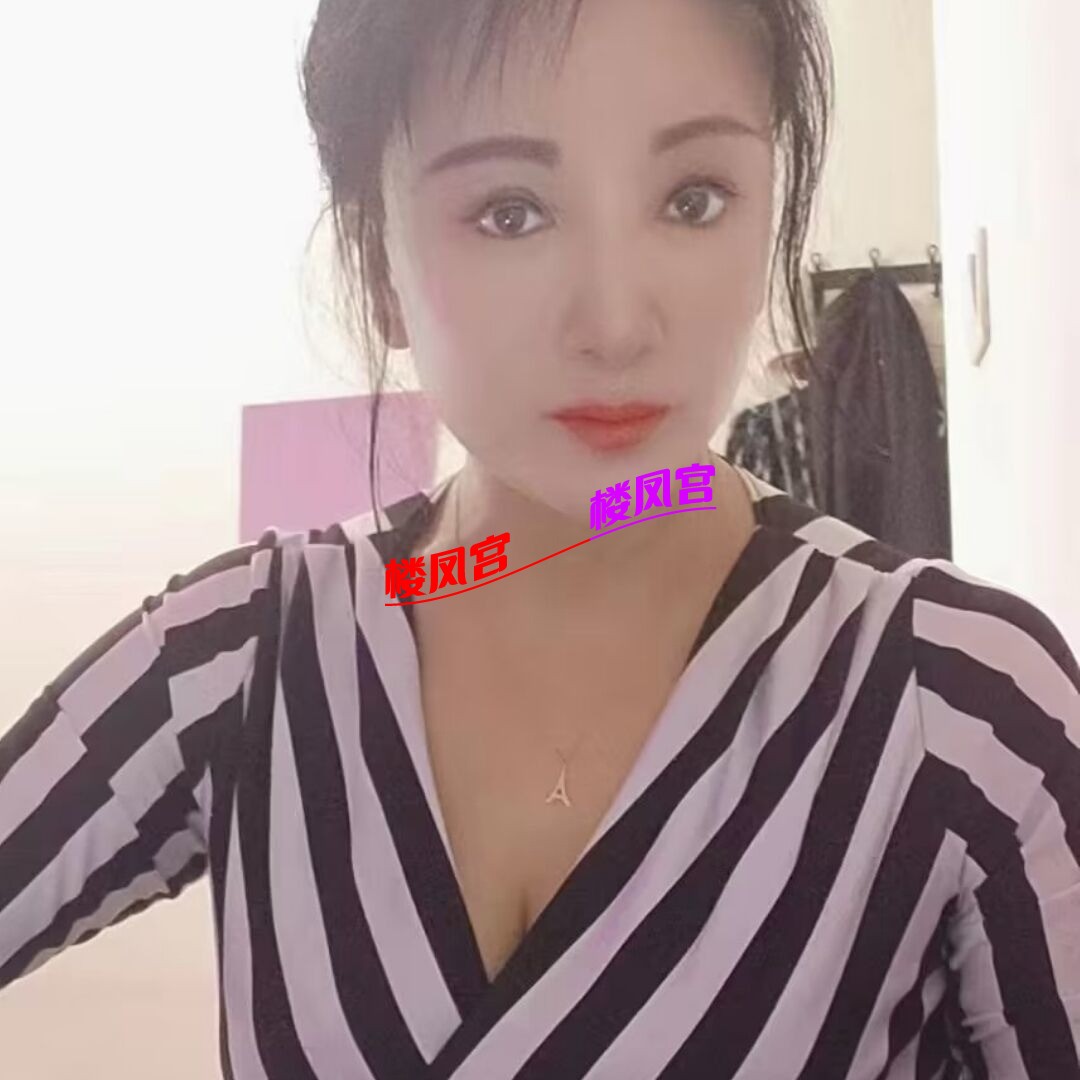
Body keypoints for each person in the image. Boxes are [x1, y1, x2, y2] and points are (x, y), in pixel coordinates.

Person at [2, 0, 1078, 1077]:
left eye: (694, 199)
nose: (616, 324)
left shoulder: (962, 700)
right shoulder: (242, 654)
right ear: (377, 265)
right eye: (510, 212)